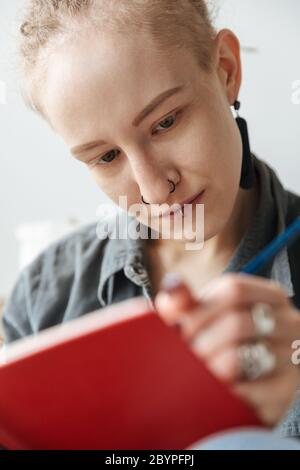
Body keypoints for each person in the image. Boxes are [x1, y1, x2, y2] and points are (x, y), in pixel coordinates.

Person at [2, 0, 300, 450]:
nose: (155, 189)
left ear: (225, 70)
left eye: (165, 122)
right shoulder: (45, 299)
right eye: (106, 157)